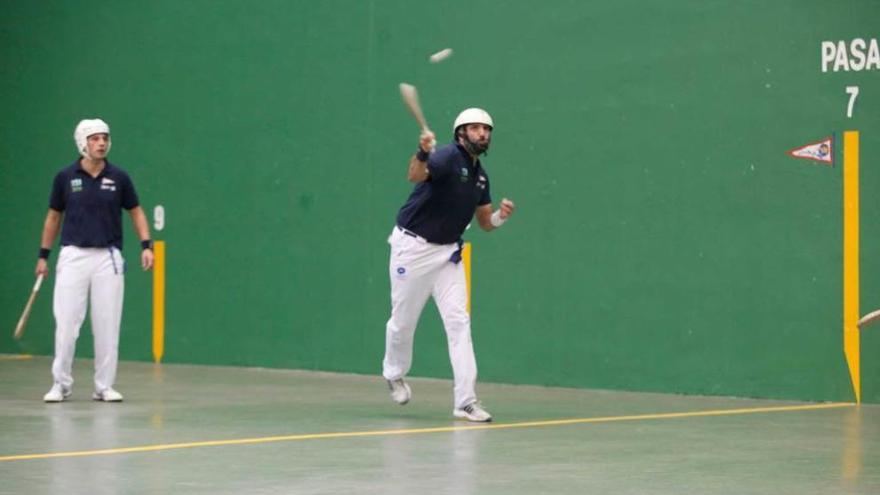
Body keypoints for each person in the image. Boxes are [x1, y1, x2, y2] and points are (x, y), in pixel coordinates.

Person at [382, 108, 515, 422]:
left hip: (447, 256)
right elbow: (415, 175)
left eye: (487, 129)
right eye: (476, 128)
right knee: (403, 322)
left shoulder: (481, 176)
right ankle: (393, 372)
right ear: (461, 133)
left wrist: (501, 217)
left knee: (459, 323)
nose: (483, 133)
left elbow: (485, 222)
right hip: (412, 249)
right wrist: (422, 151)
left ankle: (465, 401)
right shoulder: (445, 157)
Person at [37, 118, 154, 403]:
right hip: (72, 256)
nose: (102, 143)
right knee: (66, 325)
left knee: (107, 323)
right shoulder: (65, 178)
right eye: (95, 138)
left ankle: (103, 386)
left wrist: (146, 245)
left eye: (105, 137)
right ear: (82, 142)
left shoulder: (120, 177)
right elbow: (54, 216)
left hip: (108, 258)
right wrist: (43, 256)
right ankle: (60, 384)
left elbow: (136, 211)